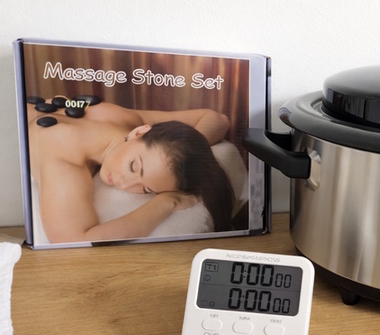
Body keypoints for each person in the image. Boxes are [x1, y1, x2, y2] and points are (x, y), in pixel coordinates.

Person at [26, 99, 235, 244]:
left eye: (145, 189)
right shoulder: (64, 164)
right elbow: (72, 243)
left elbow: (218, 120)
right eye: (134, 166)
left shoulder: (122, 120)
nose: (124, 183)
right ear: (139, 132)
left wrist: (182, 153)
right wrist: (164, 203)